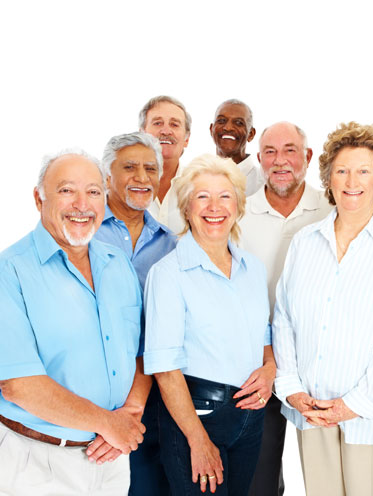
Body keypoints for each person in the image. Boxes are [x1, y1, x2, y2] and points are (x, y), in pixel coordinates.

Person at [273, 122, 373, 496]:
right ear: (328, 179)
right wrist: (292, 389)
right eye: (341, 170)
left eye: (363, 171)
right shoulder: (305, 243)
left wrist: (354, 404)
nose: (351, 181)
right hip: (312, 412)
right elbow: (283, 319)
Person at [0, 149, 149, 495]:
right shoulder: (9, 271)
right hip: (38, 461)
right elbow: (18, 384)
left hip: (111, 457)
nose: (82, 204)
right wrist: (109, 423)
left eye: (94, 192)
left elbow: (140, 352)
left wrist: (130, 415)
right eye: (67, 190)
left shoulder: (117, 264)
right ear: (39, 198)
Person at [143, 154, 274, 495]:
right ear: (187, 208)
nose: (214, 206)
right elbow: (165, 367)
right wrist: (198, 441)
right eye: (202, 196)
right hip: (197, 418)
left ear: (238, 206)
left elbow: (262, 333)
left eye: (224, 196)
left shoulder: (253, 268)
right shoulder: (168, 274)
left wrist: (271, 367)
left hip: (250, 418)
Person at [240, 121, 332, 496]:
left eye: (290, 150)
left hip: (319, 360)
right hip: (257, 361)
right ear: (259, 159)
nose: (281, 161)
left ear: (307, 157)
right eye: (271, 152)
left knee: (326, 474)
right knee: (260, 476)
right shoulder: (237, 214)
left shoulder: (332, 208)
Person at [95, 132, 177, 496]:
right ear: (107, 176)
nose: (142, 177)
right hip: (91, 390)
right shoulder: (85, 232)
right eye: (129, 167)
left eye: (150, 169)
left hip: (151, 397)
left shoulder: (171, 245)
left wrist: (135, 406)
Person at [140, 95, 192, 233]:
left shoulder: (197, 185)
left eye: (174, 124)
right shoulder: (121, 185)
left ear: (187, 139)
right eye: (157, 123)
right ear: (141, 134)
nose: (166, 131)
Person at [210, 99, 264, 195]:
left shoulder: (264, 185)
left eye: (238, 123)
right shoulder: (194, 180)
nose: (228, 128)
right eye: (221, 121)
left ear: (251, 134)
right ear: (211, 130)